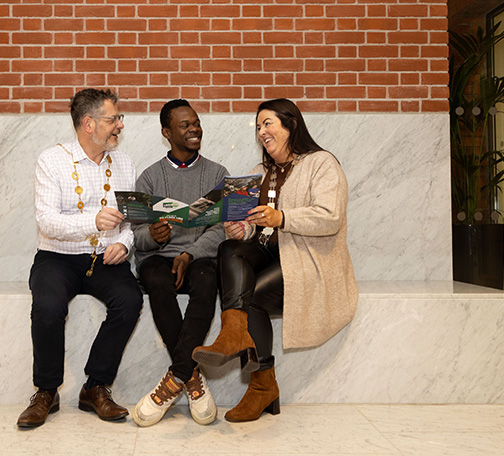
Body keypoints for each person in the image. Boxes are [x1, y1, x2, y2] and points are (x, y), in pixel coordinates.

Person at [192, 98, 358, 422]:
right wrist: (238, 226)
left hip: (307, 260)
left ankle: (260, 383)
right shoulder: (258, 173)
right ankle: (237, 337)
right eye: (257, 127)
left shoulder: (321, 163)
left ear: (291, 125)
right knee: (227, 249)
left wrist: (281, 217)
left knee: (248, 297)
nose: (261, 132)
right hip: (269, 254)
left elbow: (330, 217)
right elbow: (253, 228)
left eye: (267, 123)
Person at [17, 88, 143, 429]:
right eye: (112, 119)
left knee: (130, 300)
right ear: (88, 124)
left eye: (118, 118)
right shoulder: (52, 160)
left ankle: (95, 387)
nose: (119, 125)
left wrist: (126, 244)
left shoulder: (125, 163)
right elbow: (47, 220)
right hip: (57, 258)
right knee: (47, 306)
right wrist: (93, 220)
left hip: (105, 258)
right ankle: (46, 392)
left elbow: (132, 221)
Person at [131, 99, 228, 427]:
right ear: (166, 132)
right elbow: (136, 237)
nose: (194, 129)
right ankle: (192, 378)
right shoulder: (149, 178)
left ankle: (175, 378)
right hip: (157, 259)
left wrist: (190, 254)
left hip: (198, 257)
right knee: (157, 282)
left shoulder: (217, 174)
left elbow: (221, 229)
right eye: (185, 125)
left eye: (196, 122)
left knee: (207, 282)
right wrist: (154, 236)